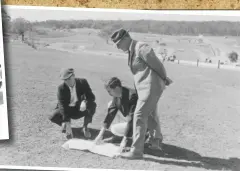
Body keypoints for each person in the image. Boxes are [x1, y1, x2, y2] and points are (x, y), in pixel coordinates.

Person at [110, 28, 173, 159]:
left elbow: (158, 65)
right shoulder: (131, 50)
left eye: (118, 44)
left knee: (139, 115)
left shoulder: (141, 47)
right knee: (150, 114)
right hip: (144, 89)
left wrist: (164, 79)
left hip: (151, 87)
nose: (117, 47)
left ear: (126, 38)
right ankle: (155, 143)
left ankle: (136, 151)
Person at [94, 77, 161, 153]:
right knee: (111, 106)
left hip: (142, 122)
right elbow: (110, 114)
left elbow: (132, 119)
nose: (109, 93)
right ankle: (119, 137)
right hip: (133, 118)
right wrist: (100, 135)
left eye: (109, 91)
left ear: (116, 88)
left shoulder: (132, 96)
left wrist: (124, 142)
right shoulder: (118, 94)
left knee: (117, 128)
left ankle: (143, 135)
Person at [49, 68, 97, 139]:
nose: (67, 81)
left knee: (92, 105)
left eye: (69, 79)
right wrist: (67, 123)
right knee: (52, 116)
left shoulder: (82, 82)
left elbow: (92, 97)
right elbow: (63, 106)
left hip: (79, 108)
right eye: (65, 80)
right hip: (68, 110)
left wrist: (84, 102)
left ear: (73, 76)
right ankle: (65, 124)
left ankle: (85, 127)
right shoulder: (61, 88)